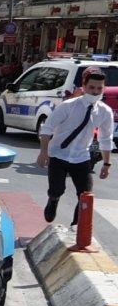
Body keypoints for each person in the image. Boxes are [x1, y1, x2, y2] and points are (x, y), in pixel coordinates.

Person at [38, 69, 114, 225]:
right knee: (57, 189)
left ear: (104, 89)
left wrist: (107, 164)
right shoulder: (68, 106)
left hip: (81, 157)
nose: (95, 92)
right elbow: (47, 128)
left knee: (85, 194)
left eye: (99, 88)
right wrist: (44, 152)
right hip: (58, 154)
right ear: (84, 87)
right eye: (91, 87)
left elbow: (106, 139)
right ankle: (53, 200)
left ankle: (75, 228)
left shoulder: (105, 112)